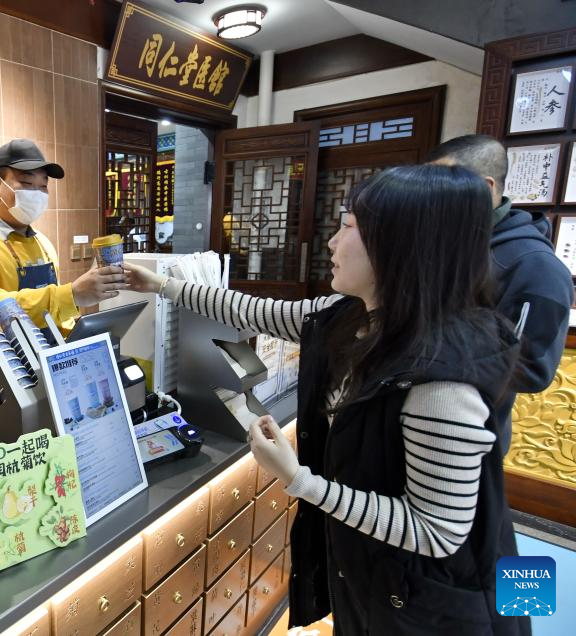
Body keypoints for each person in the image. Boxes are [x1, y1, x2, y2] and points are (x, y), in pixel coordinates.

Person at [125, 165, 526, 635]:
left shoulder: (441, 382)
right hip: (375, 578)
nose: (332, 243)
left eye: (348, 226)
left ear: (401, 245)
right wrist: (162, 285)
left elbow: (435, 531)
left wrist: (298, 479)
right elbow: (257, 312)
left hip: (432, 605)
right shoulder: (352, 316)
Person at [428, 134, 573, 450]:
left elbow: (531, 369)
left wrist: (424, 351)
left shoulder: (535, 266)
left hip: (468, 435)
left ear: (484, 188)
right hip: (417, 417)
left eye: (444, 183)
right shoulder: (453, 245)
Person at [0, 139, 127, 372]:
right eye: (27, 183)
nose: (37, 194)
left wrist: (80, 339)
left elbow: (58, 318)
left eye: (43, 187)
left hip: (42, 366)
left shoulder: (43, 243)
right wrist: (72, 295)